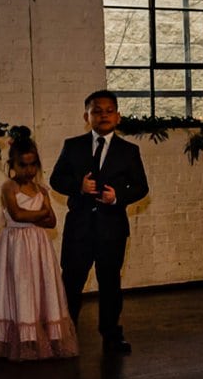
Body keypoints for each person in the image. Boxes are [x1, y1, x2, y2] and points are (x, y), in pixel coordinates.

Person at [48, 90, 148, 355]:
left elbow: (141, 187)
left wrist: (119, 197)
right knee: (71, 281)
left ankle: (111, 334)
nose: (103, 115)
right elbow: (55, 180)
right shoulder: (73, 146)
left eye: (108, 111)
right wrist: (78, 186)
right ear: (86, 116)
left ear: (117, 116)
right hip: (79, 227)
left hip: (111, 229)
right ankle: (66, 334)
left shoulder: (129, 151)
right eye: (97, 111)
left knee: (110, 284)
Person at [0, 129, 77, 361]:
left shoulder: (41, 190)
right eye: (23, 165)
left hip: (38, 245)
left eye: (33, 165)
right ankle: (20, 339)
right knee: (20, 287)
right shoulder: (9, 187)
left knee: (41, 286)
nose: (28, 170)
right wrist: (40, 213)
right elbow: (17, 215)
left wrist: (37, 214)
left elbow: (52, 221)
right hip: (15, 247)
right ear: (12, 164)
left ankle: (45, 335)